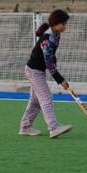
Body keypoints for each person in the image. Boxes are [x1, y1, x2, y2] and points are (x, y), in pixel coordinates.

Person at [19, 9, 73, 138]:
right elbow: (49, 63)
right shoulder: (46, 39)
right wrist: (60, 80)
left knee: (35, 102)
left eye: (65, 24)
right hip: (34, 71)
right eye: (63, 24)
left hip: (38, 70)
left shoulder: (56, 34)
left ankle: (25, 127)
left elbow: (51, 57)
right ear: (55, 23)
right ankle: (53, 128)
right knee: (46, 97)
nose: (65, 26)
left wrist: (58, 74)